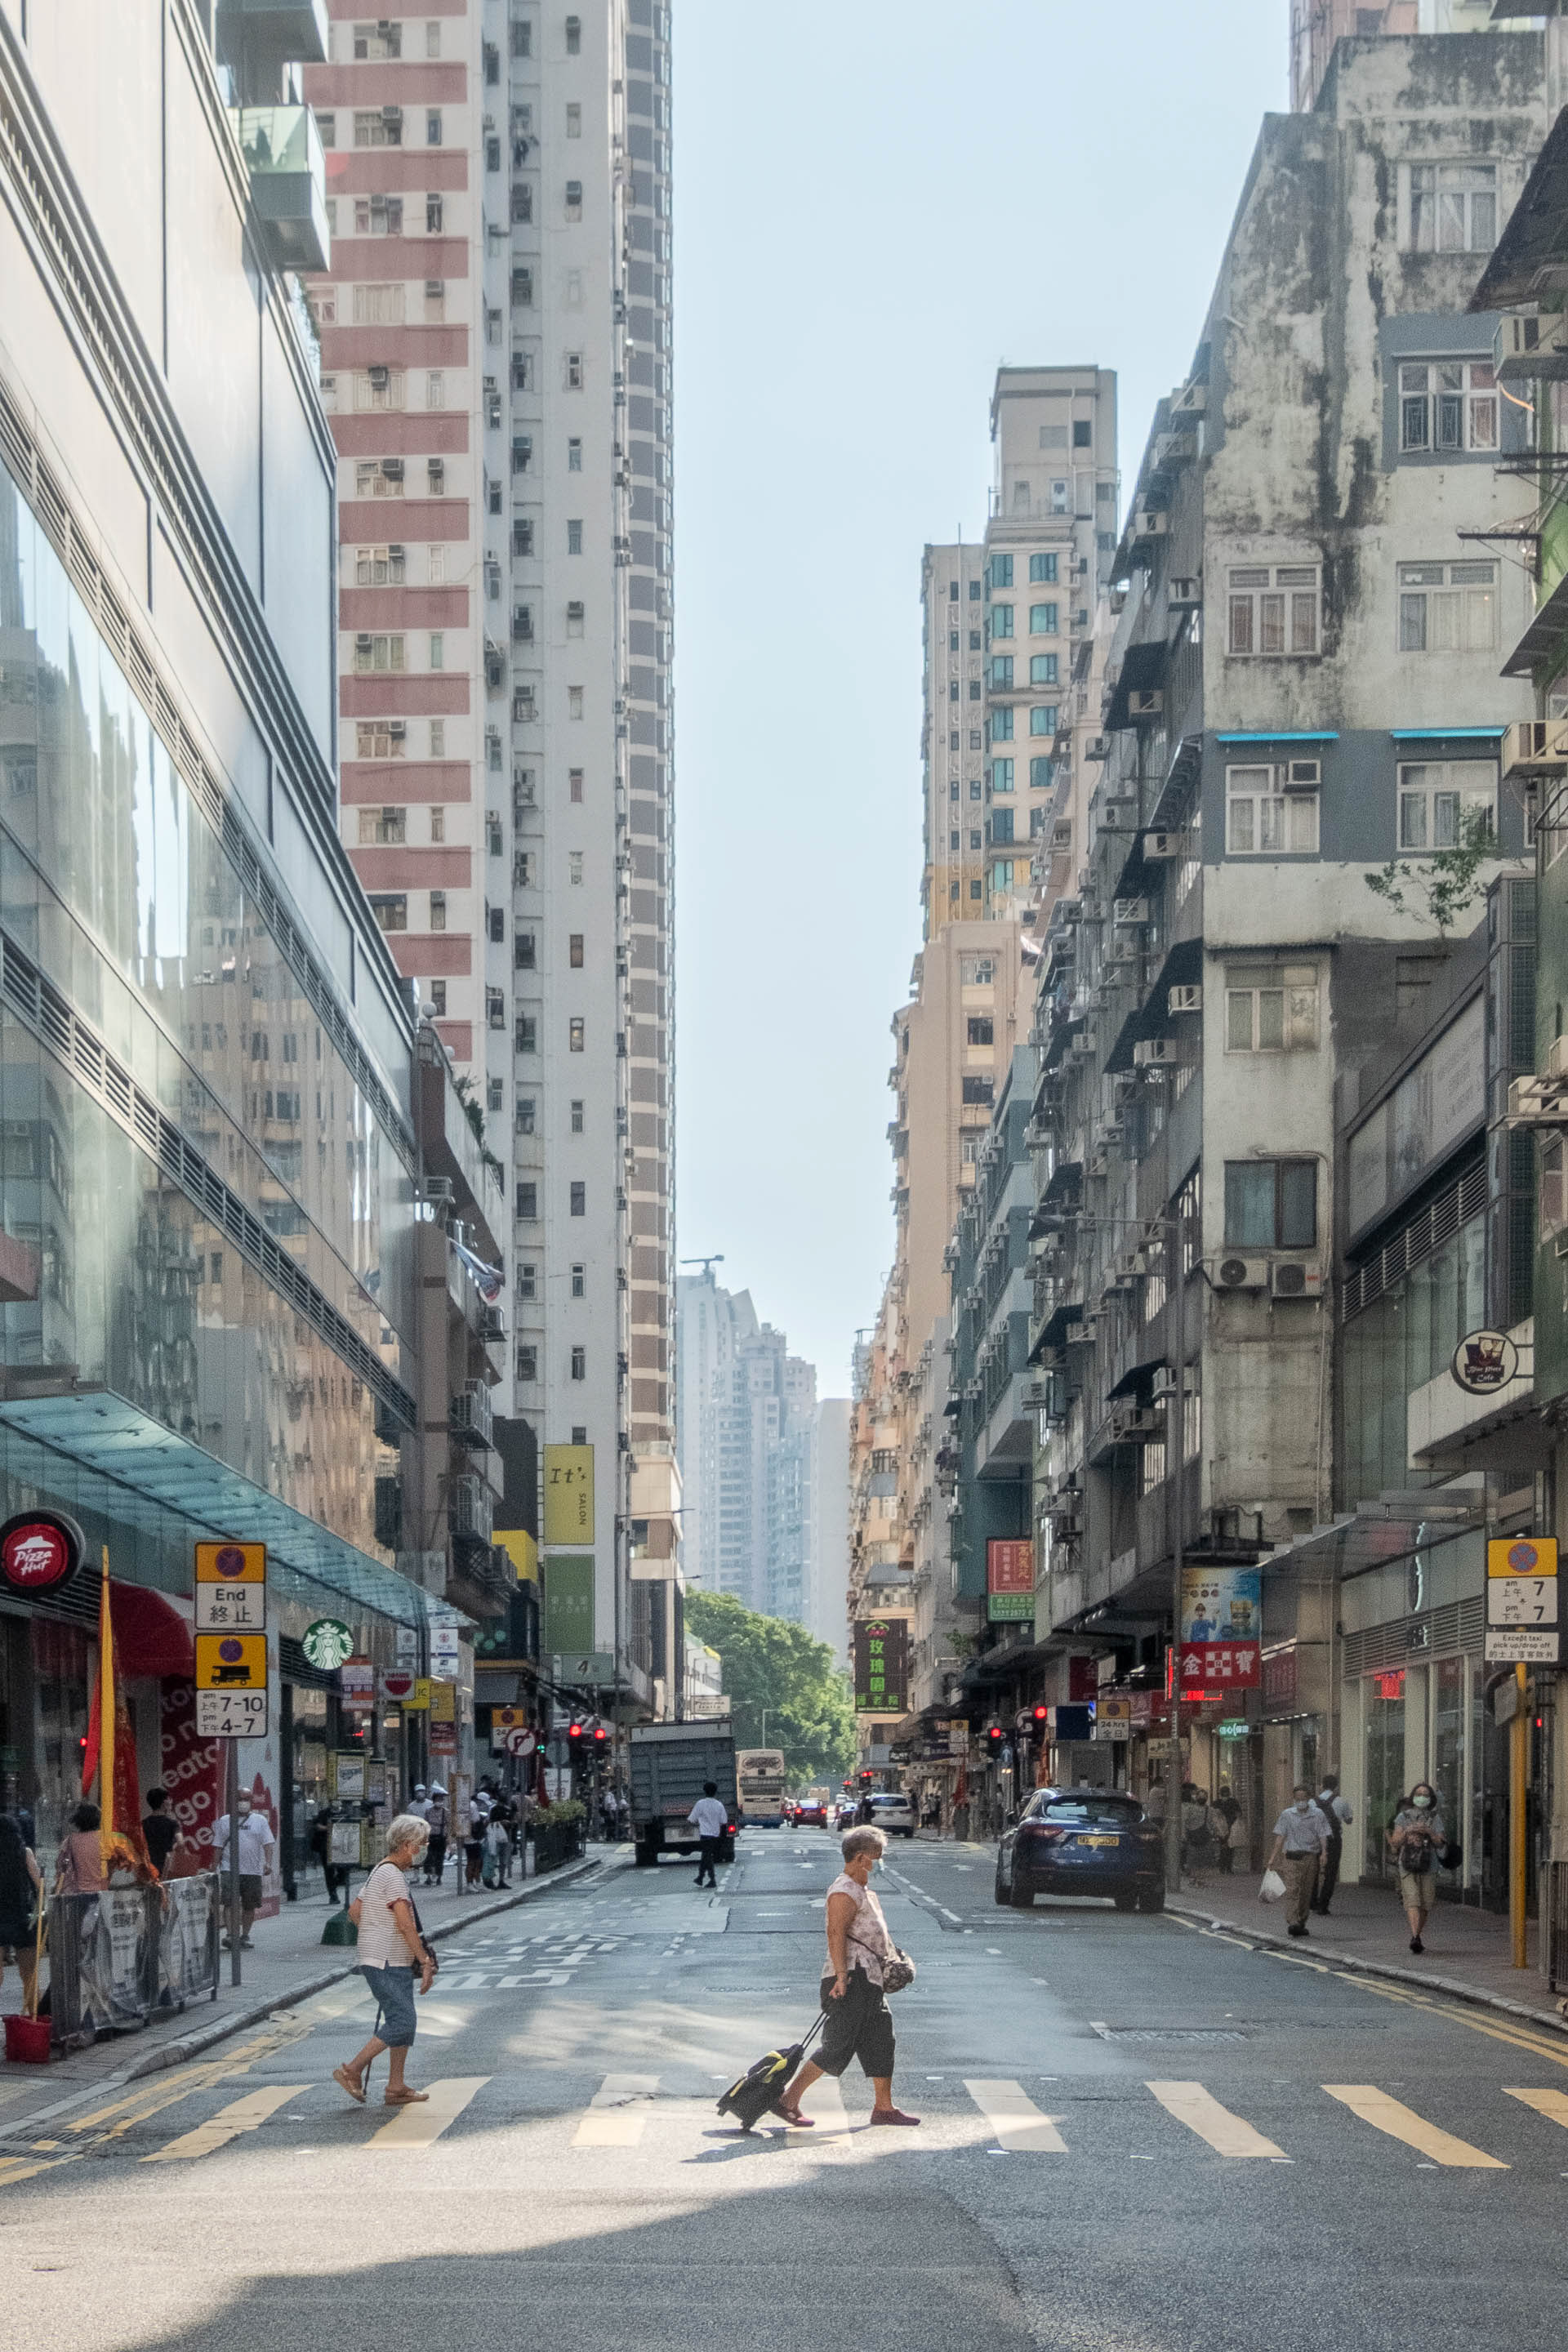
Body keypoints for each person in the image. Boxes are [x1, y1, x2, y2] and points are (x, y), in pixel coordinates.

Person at [773, 1824, 918, 2129]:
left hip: (870, 1980)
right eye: (877, 1857)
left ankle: (883, 2108)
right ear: (861, 1858)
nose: (879, 1863)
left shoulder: (862, 1890)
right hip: (852, 1979)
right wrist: (841, 1977)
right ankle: (788, 2100)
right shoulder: (844, 1890)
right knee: (838, 2044)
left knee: (881, 2040)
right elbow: (835, 1933)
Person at [332, 1815, 437, 2109]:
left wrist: (374, 1933)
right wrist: (424, 1960)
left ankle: (396, 2086)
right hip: (387, 1960)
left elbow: (355, 1912)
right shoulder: (393, 1877)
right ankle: (352, 2070)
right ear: (407, 1845)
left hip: (384, 1958)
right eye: (422, 1844)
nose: (425, 1849)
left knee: (402, 2021)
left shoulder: (380, 1870)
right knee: (403, 2020)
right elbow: (404, 1924)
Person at [1264, 1783, 1331, 1938]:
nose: (1301, 1801)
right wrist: (1272, 1858)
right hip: (1291, 1858)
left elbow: (1323, 1834)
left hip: (1310, 1857)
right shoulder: (1287, 1814)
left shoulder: (1318, 1814)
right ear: (1294, 1799)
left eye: (1303, 1798)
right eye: (1297, 1799)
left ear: (1309, 1798)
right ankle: (1293, 1921)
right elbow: (1280, 1837)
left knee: (1306, 1892)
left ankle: (1301, 1921)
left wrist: (1324, 1853)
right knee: (1293, 1890)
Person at [212, 1793, 276, 1949]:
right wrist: (214, 1867)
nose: (243, 1802)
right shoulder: (225, 1821)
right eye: (240, 1799)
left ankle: (245, 1936)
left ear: (251, 1801)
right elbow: (218, 1846)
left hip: (252, 1870)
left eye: (246, 1799)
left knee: (250, 1905)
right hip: (229, 1868)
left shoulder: (260, 1820)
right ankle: (230, 1935)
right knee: (229, 1902)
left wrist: (268, 1863)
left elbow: (268, 1843)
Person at [1388, 1782, 1446, 1955]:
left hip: (1429, 1864)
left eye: (1426, 1795)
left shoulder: (1435, 1818)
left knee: (1426, 1903)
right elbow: (1395, 1842)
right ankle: (1415, 1937)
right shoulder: (1403, 1817)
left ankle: (1417, 1935)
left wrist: (1428, 1831)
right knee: (1412, 1899)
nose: (1422, 1797)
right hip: (1407, 1863)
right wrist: (1407, 1831)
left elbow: (1440, 1843)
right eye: (1419, 1794)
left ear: (1431, 1799)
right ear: (1413, 1797)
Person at [0, 1811, 42, 2005]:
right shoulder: (25, 1853)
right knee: (29, 1974)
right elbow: (39, 1883)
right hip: (22, 1916)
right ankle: (33, 2016)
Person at [1312, 1774, 1354, 1917]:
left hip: (1315, 1840)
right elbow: (1349, 1820)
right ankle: (1323, 1905)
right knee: (1331, 1872)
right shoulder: (1342, 1801)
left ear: (1322, 1786)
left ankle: (1312, 1901)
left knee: (1313, 1870)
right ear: (1336, 1787)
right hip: (1333, 1839)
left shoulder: (1312, 1802)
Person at [55, 1802, 107, 1893]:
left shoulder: (70, 1841)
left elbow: (60, 1865)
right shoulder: (105, 1839)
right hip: (102, 1891)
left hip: (78, 1892)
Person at [689, 1780, 727, 1889]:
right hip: (715, 1835)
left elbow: (692, 1819)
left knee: (707, 1856)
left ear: (704, 1791)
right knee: (706, 1856)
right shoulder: (719, 1805)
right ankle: (700, 1877)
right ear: (715, 1792)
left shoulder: (700, 1804)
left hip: (705, 1834)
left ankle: (711, 1879)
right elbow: (724, 1821)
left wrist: (699, 1823)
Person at [141, 1788, 179, 1876]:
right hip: (167, 1867)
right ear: (164, 1803)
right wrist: (174, 1846)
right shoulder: (172, 1823)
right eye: (168, 1799)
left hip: (149, 1867)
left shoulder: (143, 1824)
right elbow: (181, 1842)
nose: (171, 1801)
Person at [422, 1784, 448, 1886]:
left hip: (441, 1837)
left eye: (441, 1800)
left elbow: (449, 1825)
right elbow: (425, 1823)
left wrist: (449, 1839)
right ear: (433, 1801)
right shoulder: (428, 1811)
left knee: (439, 1858)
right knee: (429, 1857)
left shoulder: (446, 1812)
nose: (439, 1802)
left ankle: (438, 1877)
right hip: (430, 1837)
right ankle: (428, 1876)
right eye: (437, 1800)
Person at [1214, 1786, 1241, 1875]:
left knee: (1223, 1847)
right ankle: (1227, 1868)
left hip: (1222, 1828)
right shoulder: (1233, 1802)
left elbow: (1213, 1815)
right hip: (1230, 1827)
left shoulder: (1216, 1803)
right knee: (1229, 1848)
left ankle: (1223, 1867)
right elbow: (1239, 1813)